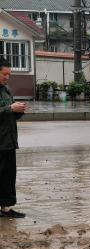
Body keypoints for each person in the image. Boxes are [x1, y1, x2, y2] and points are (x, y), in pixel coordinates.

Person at [0, 59, 27, 218]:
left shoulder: (6, 90)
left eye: (9, 74)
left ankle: (6, 208)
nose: (7, 77)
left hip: (9, 141)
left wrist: (18, 110)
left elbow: (9, 115)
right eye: (4, 74)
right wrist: (10, 108)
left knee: (8, 177)